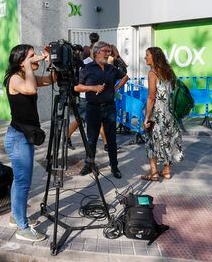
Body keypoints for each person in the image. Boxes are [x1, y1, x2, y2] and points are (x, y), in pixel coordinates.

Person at [4, 44, 54, 242]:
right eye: (32, 56)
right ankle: (22, 228)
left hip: (23, 137)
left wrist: (51, 64)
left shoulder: (25, 75)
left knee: (20, 180)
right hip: (18, 138)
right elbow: (31, 89)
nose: (36, 59)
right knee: (23, 182)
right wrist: (28, 65)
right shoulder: (15, 78)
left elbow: (50, 80)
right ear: (21, 60)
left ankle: (15, 216)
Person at [75, 41, 129, 179]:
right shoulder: (87, 68)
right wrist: (93, 88)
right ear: (97, 52)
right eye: (105, 51)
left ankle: (114, 166)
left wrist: (116, 88)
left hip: (109, 108)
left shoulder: (111, 69)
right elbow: (77, 87)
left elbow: (125, 77)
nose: (108, 54)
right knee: (91, 139)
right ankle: (89, 165)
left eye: (109, 51)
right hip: (93, 108)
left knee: (111, 140)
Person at [141, 47, 184, 181]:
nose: (145, 57)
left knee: (150, 142)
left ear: (154, 56)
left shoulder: (152, 73)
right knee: (167, 141)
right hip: (170, 114)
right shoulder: (169, 71)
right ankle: (166, 172)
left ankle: (154, 173)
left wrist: (147, 117)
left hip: (157, 115)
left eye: (147, 55)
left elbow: (151, 97)